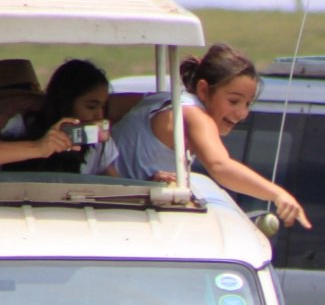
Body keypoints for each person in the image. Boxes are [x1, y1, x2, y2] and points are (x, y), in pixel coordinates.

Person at [108, 44, 310, 229]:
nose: (242, 114)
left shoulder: (162, 99)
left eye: (248, 104)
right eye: (233, 101)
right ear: (204, 90)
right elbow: (220, 166)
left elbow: (106, 106)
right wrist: (278, 194)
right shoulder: (195, 116)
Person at [6, 59, 120, 175]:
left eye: (103, 107)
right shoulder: (20, 125)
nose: (99, 115)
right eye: (91, 107)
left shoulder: (99, 140)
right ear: (65, 103)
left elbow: (114, 181)